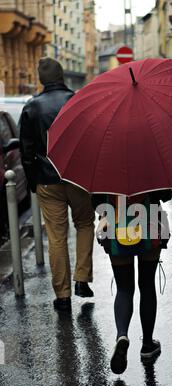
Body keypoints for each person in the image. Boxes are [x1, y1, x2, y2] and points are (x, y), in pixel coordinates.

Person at [20, 57, 95, 312]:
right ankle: (82, 278)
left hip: (46, 179)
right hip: (78, 176)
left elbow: (26, 151)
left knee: (56, 236)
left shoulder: (32, 107)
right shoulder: (78, 100)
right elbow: (91, 139)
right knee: (84, 224)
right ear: (62, 76)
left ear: (42, 79)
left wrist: (34, 181)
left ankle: (62, 295)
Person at [92, 190, 172, 374]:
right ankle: (147, 345)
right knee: (147, 285)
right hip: (150, 223)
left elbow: (95, 202)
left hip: (115, 226)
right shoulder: (150, 162)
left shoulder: (104, 167)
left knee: (124, 288)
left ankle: (122, 335)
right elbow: (166, 193)